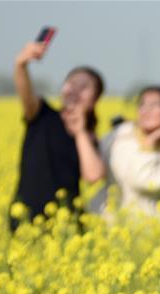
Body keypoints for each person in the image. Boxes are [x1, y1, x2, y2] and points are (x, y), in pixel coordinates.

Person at [10, 40, 105, 232]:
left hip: (68, 222)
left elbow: (93, 175)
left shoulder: (89, 136)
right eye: (71, 83)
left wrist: (80, 132)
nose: (75, 90)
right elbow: (26, 94)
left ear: (94, 99)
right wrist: (21, 64)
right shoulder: (41, 115)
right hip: (26, 218)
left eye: (84, 86)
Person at [90, 86, 160, 220]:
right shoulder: (118, 136)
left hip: (150, 228)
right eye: (142, 104)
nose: (146, 110)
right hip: (107, 223)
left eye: (155, 105)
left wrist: (150, 144)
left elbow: (142, 181)